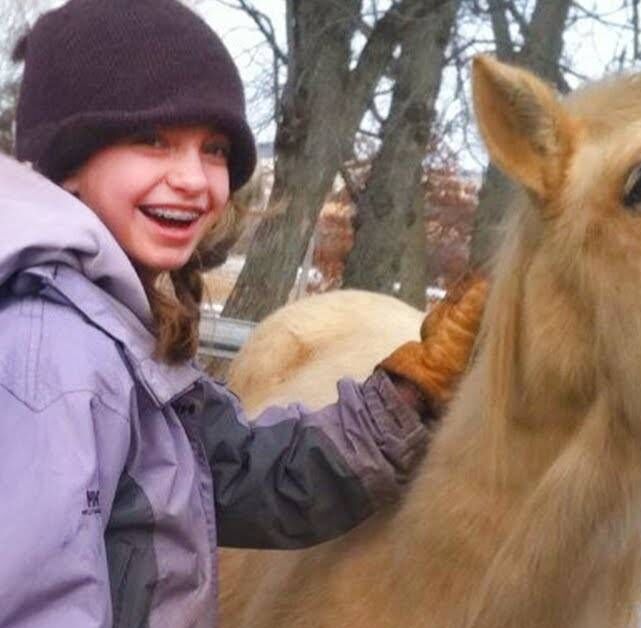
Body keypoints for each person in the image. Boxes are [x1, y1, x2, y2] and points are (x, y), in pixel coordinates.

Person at [0, 1, 485, 626]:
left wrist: (408, 400)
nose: (193, 179)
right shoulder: (52, 352)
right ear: (69, 161)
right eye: (153, 141)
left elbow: (243, 476)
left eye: (214, 149)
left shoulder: (108, 326)